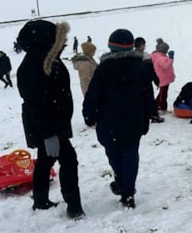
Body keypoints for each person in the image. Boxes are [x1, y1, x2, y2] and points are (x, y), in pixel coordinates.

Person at [16, 19, 84, 219]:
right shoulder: (32, 67)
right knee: (69, 161)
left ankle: (40, 200)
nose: (64, 44)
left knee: (46, 161)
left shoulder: (49, 59)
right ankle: (74, 206)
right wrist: (48, 134)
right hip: (47, 125)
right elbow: (35, 104)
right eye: (60, 40)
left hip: (54, 122)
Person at [83, 29, 155, 209]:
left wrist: (88, 114)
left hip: (109, 120)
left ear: (111, 47)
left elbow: (93, 95)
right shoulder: (141, 67)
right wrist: (149, 115)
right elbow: (148, 95)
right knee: (131, 153)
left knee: (113, 152)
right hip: (134, 119)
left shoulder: (103, 69)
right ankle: (128, 190)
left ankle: (122, 182)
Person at [135, 37, 163, 123]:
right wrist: (157, 81)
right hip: (146, 82)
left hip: (135, 82)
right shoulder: (146, 56)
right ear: (142, 45)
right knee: (149, 99)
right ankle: (154, 116)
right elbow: (151, 70)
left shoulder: (131, 56)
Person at [151, 38, 175, 113]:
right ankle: (162, 107)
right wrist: (171, 58)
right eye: (166, 50)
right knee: (163, 94)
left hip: (162, 78)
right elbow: (166, 66)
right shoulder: (160, 58)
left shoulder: (158, 56)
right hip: (163, 78)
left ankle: (156, 105)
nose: (167, 51)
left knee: (162, 93)